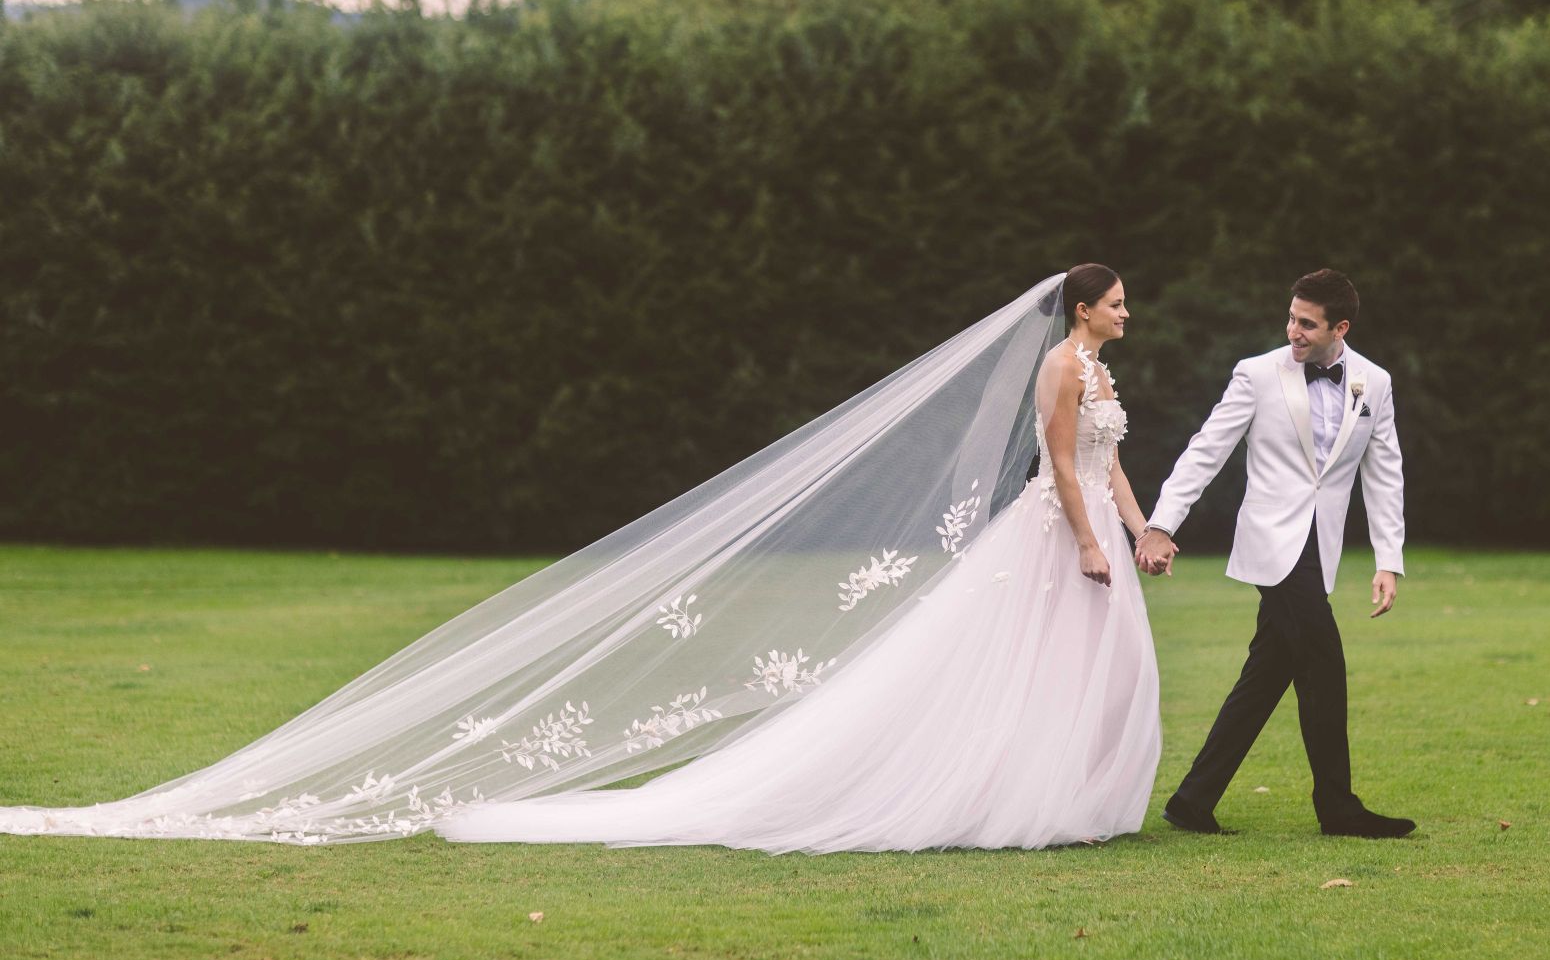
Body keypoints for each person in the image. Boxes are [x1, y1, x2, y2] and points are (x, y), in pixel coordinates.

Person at [437, 264, 1161, 850]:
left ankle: (1071, 793)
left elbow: (1111, 467)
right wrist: (1091, 543)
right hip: (1059, 533)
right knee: (1049, 663)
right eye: (1117, 303)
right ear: (1082, 310)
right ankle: (1037, 802)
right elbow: (1062, 468)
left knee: (1103, 664)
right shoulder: (1062, 370)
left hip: (1096, 526)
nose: (1127, 313)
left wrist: (1141, 529)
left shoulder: (1099, 373)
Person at [1134, 269, 1415, 839]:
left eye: (1307, 323)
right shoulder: (1257, 374)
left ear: (1341, 327)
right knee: (1325, 664)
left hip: (1321, 545)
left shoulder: (1374, 382)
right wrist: (1161, 524)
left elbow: (1385, 472)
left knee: (1268, 673)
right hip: (1272, 542)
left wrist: (1389, 558)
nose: (1293, 331)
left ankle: (1193, 799)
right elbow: (1205, 450)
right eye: (1290, 318)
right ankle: (1337, 807)